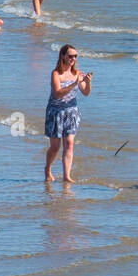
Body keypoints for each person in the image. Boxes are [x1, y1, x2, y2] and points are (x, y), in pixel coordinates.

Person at [44, 44, 91, 183]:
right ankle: (47, 169)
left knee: (69, 143)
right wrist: (73, 84)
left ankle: (67, 176)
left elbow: (86, 93)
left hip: (71, 112)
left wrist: (88, 83)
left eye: (75, 56)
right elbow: (58, 94)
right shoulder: (56, 74)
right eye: (70, 56)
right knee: (55, 147)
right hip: (55, 112)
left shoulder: (78, 74)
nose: (73, 59)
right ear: (63, 56)